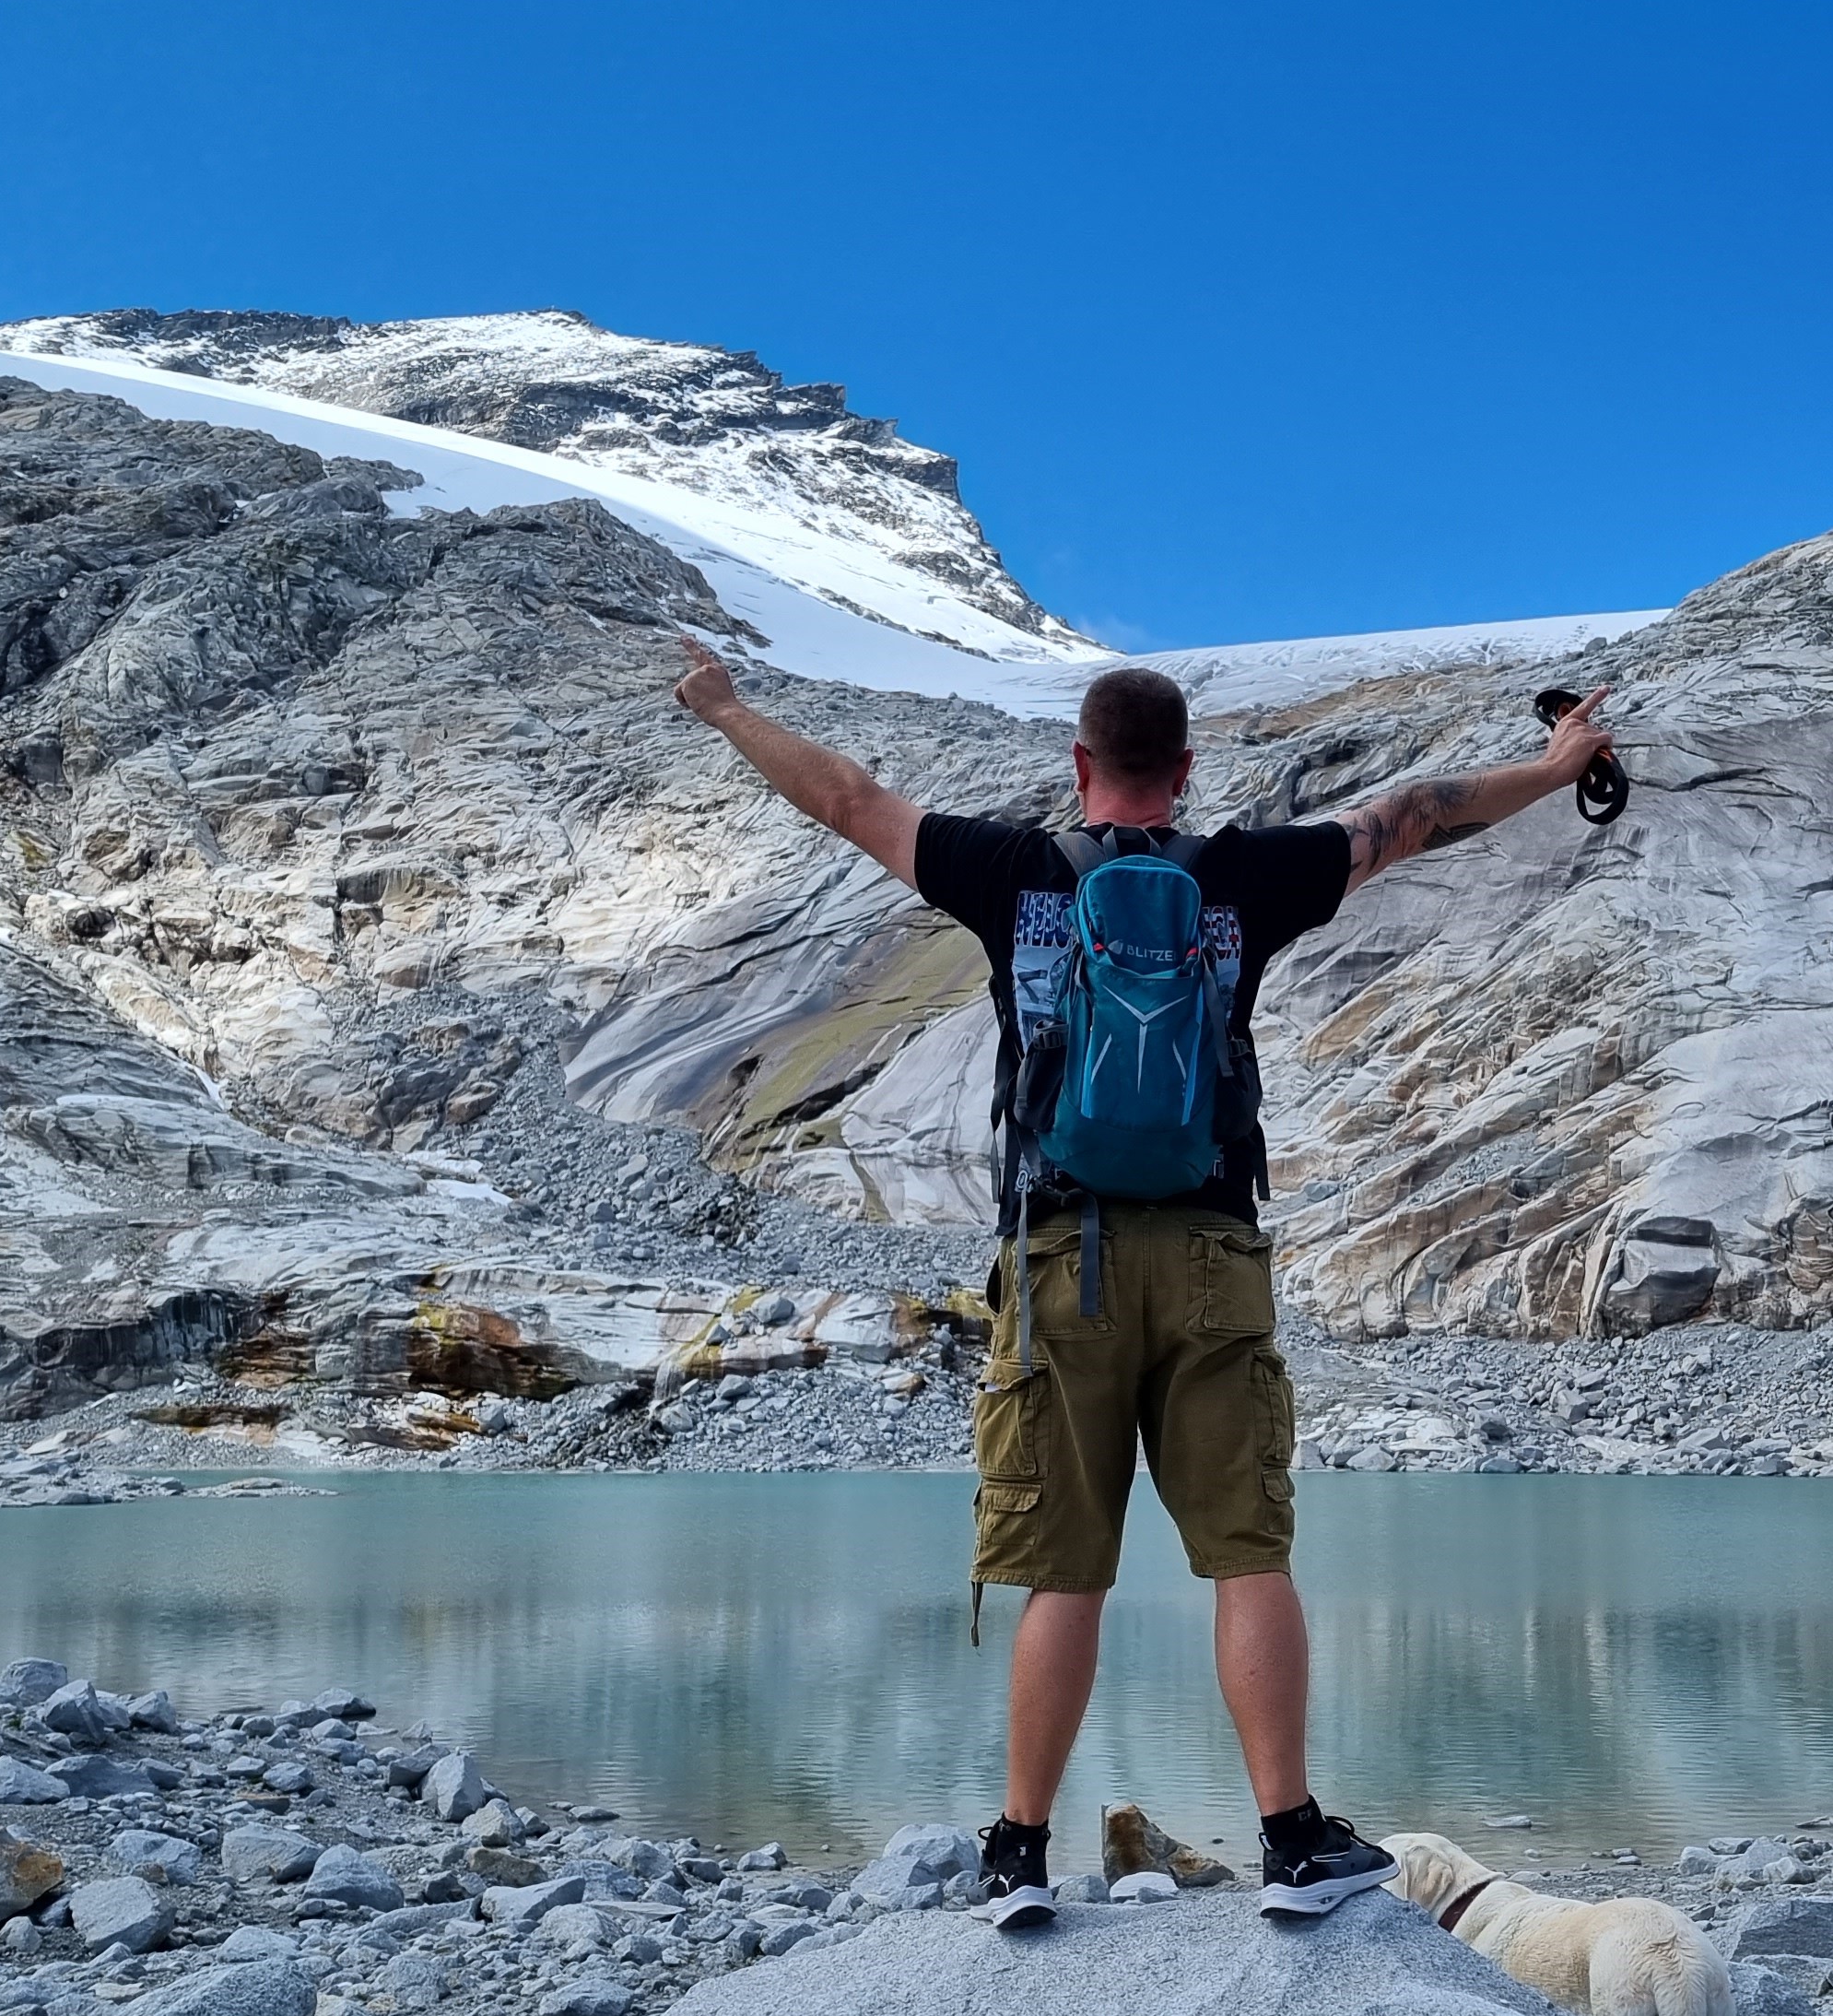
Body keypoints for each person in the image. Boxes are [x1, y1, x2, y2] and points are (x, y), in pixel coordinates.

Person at [671, 637, 1619, 1927]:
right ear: (1183, 768)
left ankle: (1016, 1853)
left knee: (1067, 1570)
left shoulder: (1012, 873)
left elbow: (844, 796)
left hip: (1063, 1257)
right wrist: (1562, 762)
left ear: (1081, 765)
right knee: (1246, 1555)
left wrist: (727, 708)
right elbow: (1415, 817)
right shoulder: (1242, 876)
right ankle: (1289, 1837)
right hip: (1216, 1256)